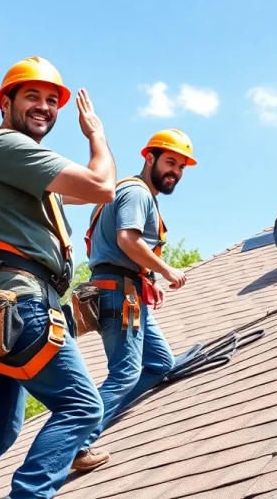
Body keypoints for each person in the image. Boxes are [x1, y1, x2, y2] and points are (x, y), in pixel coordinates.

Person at [0, 57, 117, 499]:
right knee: (80, 407)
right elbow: (101, 186)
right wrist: (96, 134)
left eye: (51, 100)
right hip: (19, 305)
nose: (44, 107)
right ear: (6, 102)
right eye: (32, 97)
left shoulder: (14, 166)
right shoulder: (7, 147)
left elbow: (76, 192)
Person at [72, 129, 195, 471]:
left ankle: (87, 427)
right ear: (149, 157)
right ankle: (77, 443)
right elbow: (128, 239)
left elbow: (118, 246)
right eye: (170, 162)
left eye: (182, 167)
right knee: (125, 374)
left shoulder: (128, 193)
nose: (176, 172)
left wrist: (148, 278)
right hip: (118, 293)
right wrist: (166, 270)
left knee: (159, 363)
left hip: (123, 288)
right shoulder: (137, 192)